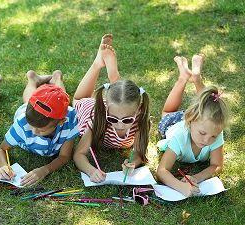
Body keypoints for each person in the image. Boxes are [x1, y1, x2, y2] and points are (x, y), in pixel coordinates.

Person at [73, 34, 150, 183]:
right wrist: (91, 170)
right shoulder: (99, 119)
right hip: (90, 108)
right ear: (107, 110)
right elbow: (78, 154)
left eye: (127, 120)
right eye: (113, 119)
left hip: (115, 104)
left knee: (121, 97)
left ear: (138, 111)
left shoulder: (140, 120)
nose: (120, 124)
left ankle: (115, 80)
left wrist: (132, 161)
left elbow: (139, 152)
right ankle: (97, 63)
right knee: (76, 100)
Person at [156, 54, 229, 197]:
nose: (207, 140)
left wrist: (196, 177)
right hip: (173, 123)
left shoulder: (214, 133)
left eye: (213, 136)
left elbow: (217, 166)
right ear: (189, 122)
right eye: (202, 134)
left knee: (206, 104)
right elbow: (161, 171)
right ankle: (183, 78)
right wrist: (182, 187)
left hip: (198, 119)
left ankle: (196, 77)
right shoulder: (179, 138)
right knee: (167, 112)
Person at [0, 70, 79, 186]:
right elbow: (1, 149)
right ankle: (32, 79)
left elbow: (64, 156)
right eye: (32, 127)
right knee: (27, 100)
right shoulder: (23, 123)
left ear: (61, 122)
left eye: (41, 130)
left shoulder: (69, 120)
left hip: (52, 114)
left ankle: (57, 78)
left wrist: (45, 169)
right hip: (28, 110)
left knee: (60, 98)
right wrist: (3, 166)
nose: (34, 132)